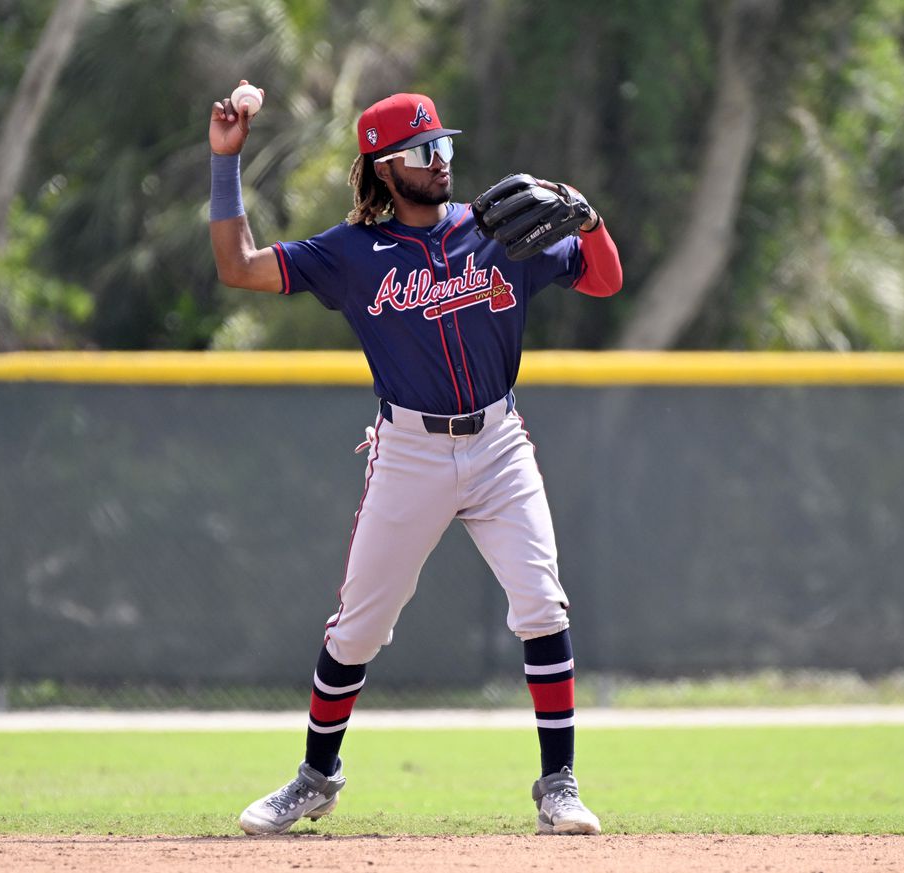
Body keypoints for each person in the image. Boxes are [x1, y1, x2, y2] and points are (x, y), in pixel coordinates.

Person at [207, 81, 623, 836]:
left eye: (445, 146)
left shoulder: (499, 233)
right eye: (424, 151)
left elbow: (605, 278)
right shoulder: (350, 253)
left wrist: (588, 218)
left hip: (498, 443)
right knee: (358, 629)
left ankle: (558, 784)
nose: (441, 161)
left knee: (541, 603)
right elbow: (237, 265)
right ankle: (316, 775)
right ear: (383, 168)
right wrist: (224, 162)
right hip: (409, 451)